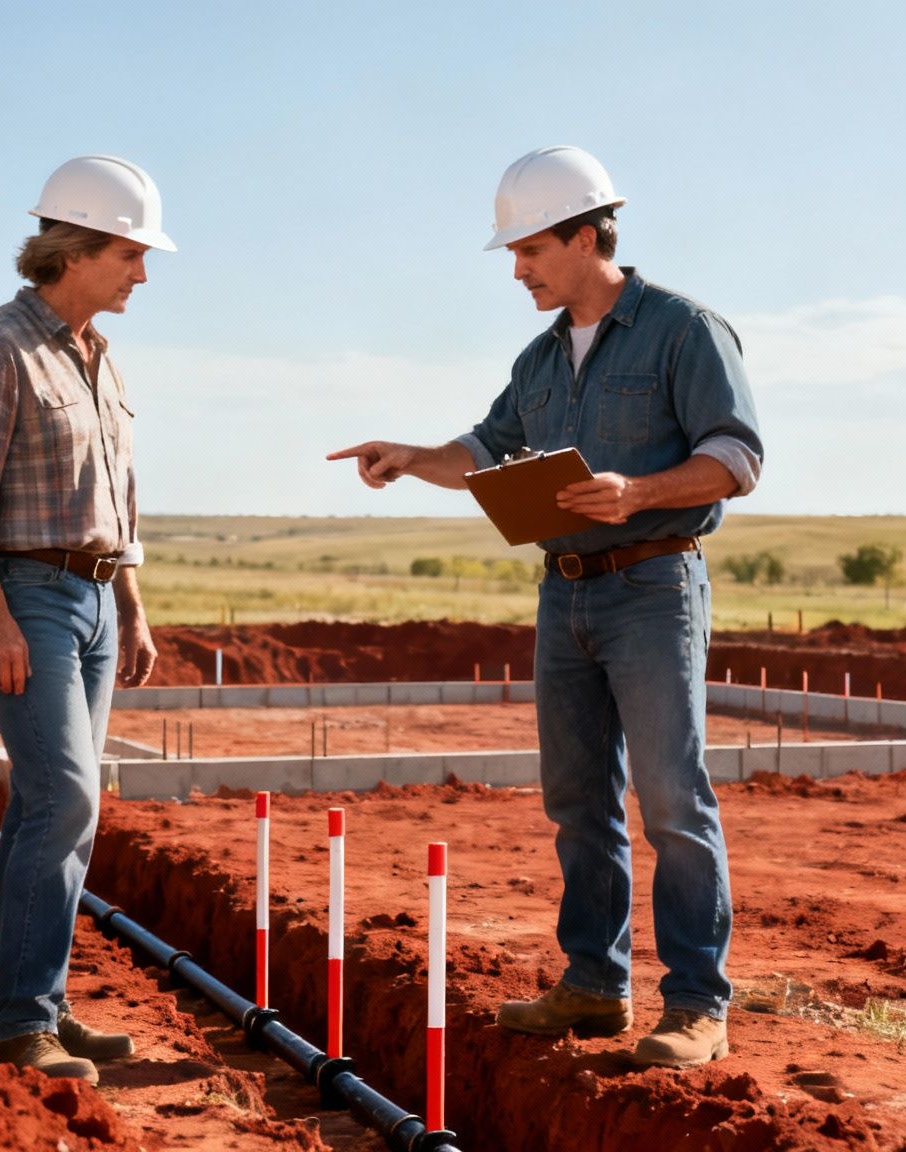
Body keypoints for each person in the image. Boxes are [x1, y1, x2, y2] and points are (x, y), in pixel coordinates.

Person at [328, 145, 762, 1068]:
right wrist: (410, 456)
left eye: (527, 250)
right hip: (564, 599)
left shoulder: (685, 331)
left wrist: (637, 492)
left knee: (670, 798)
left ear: (583, 233)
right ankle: (596, 987)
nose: (517, 270)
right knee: (577, 799)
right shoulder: (537, 360)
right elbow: (485, 451)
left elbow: (738, 457)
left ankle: (695, 1005)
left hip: (653, 586)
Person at [0, 154, 170, 1084]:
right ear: (77, 250)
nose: (142, 275)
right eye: (131, 256)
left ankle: (45, 1005)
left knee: (58, 806)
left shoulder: (97, 357)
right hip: (26, 597)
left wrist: (131, 607)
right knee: (64, 798)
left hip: (99, 600)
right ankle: (18, 1024)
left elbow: (121, 504)